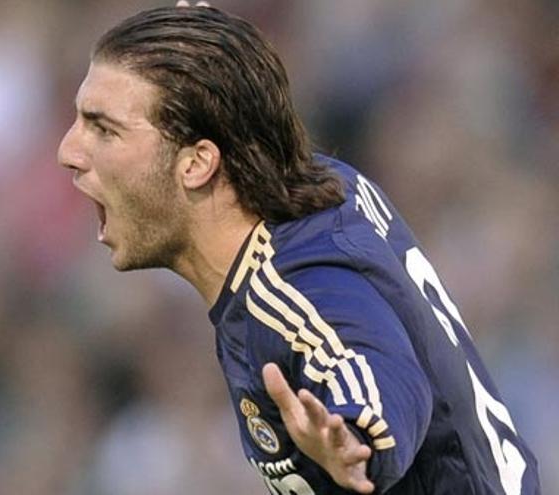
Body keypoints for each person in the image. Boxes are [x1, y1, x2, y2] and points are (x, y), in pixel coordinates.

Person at [57, 3, 541, 494]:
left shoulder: (293, 291)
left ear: (197, 163)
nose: (68, 152)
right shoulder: (321, 187)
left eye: (104, 129)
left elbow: (374, 373)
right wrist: (201, 41)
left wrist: (355, 436)